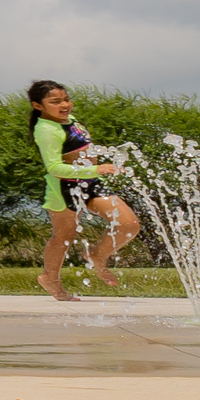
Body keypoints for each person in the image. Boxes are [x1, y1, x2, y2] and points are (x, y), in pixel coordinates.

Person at [28, 80, 134, 301]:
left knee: (128, 224)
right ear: (38, 106)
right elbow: (54, 168)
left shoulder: (70, 120)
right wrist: (98, 167)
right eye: (55, 102)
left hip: (90, 181)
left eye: (66, 99)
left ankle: (97, 255)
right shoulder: (46, 130)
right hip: (63, 187)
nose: (64, 105)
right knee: (64, 237)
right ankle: (50, 278)